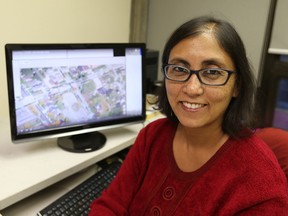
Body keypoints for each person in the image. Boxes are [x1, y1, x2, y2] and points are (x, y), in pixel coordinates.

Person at [89, 16, 288, 215]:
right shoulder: (152, 137)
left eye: (211, 72)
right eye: (179, 69)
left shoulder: (261, 187)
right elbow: (110, 206)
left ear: (237, 85)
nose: (192, 88)